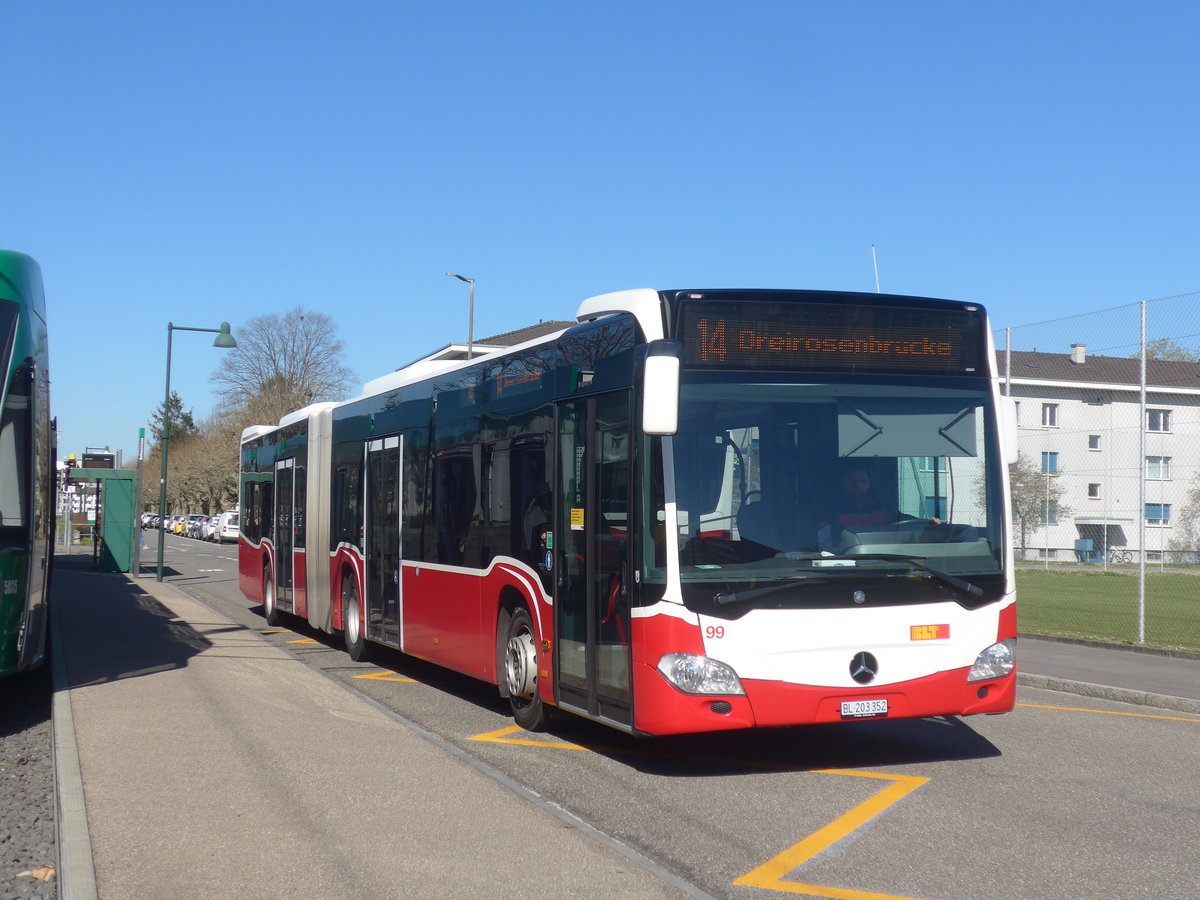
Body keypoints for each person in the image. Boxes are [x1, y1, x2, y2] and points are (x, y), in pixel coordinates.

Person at [818, 464, 940, 550]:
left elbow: (902, 520)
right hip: (846, 565)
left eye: (862, 481)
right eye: (852, 481)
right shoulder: (831, 512)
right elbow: (826, 546)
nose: (858, 485)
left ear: (868, 484)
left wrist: (928, 522)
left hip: (880, 563)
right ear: (844, 483)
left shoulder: (881, 509)